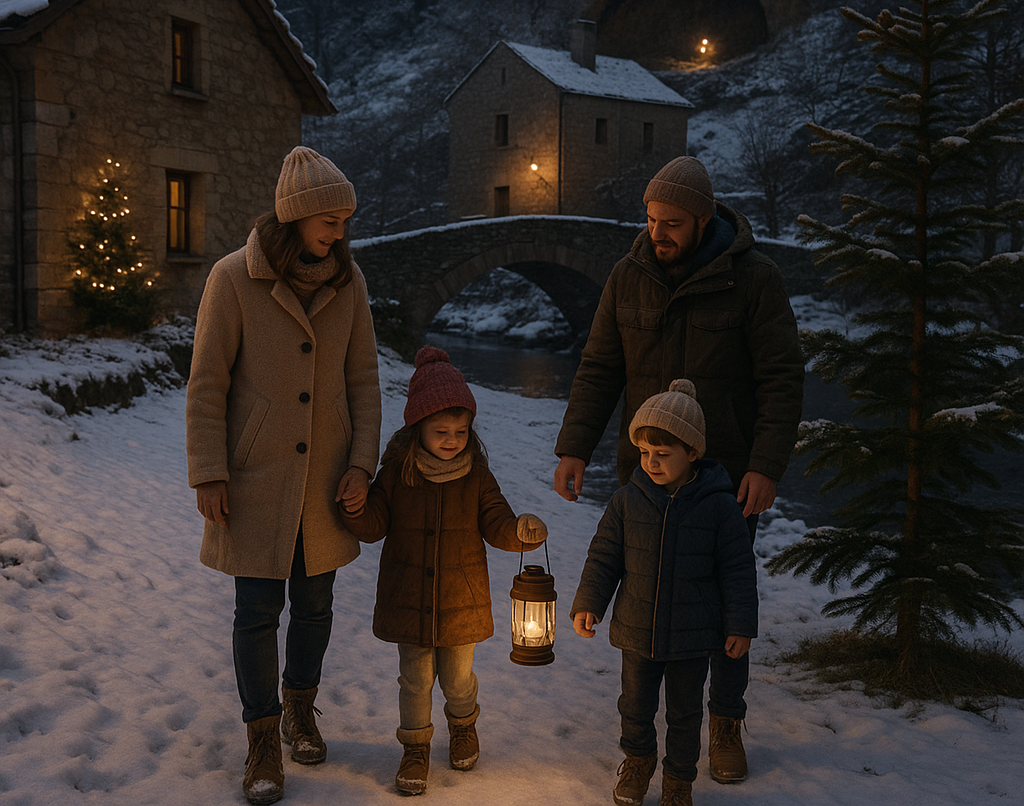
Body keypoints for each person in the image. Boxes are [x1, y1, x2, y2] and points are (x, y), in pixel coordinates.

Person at [554, 155, 802, 783]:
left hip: (727, 481)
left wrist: (766, 465)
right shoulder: (627, 275)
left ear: (702, 219)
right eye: (650, 219)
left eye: (670, 223)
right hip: (645, 477)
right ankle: (641, 736)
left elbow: (781, 377)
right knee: (647, 596)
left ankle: (725, 723)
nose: (656, 233)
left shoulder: (755, 279)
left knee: (723, 603)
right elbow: (599, 367)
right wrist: (573, 448)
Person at [187, 146, 382, 806]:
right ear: (295, 217)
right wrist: (208, 472)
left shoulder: (349, 282)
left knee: (317, 605)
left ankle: (301, 709)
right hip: (255, 477)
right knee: (256, 611)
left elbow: (363, 381)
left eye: (346, 219)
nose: (339, 231)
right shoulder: (231, 279)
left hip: (326, 479)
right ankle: (263, 738)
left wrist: (362, 464)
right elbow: (207, 386)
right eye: (330, 218)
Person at [341, 346, 548, 796]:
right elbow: (374, 524)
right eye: (441, 431)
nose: (452, 439)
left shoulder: (476, 475)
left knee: (457, 678)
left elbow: (497, 522)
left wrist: (521, 533)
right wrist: (356, 509)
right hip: (408, 597)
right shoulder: (397, 471)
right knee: (415, 678)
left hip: (461, 601)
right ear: (418, 427)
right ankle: (414, 748)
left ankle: (463, 726)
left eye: (461, 430)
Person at [571, 379, 757, 806]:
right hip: (637, 632)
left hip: (693, 637)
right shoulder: (626, 501)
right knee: (634, 708)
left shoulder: (720, 506)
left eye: (663, 454)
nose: (651, 463)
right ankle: (638, 762)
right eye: (644, 453)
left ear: (693, 452)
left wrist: (741, 625)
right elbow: (604, 558)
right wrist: (589, 604)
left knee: (685, 715)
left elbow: (738, 570)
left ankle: (678, 782)